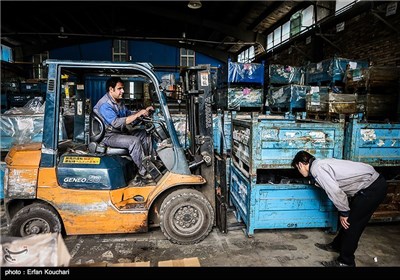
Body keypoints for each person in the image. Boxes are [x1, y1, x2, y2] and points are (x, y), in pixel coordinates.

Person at [291, 150, 387, 267]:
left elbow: (336, 191)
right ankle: (336, 245)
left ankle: (346, 262)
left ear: (300, 164)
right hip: (371, 185)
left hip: (372, 188)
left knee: (351, 225)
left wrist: (344, 212)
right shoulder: (320, 163)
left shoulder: (317, 170)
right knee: (350, 222)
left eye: (297, 168)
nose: (299, 171)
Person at [93, 76, 155, 185]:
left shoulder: (118, 102)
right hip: (108, 136)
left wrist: (142, 112)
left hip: (119, 132)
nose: (123, 91)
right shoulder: (105, 105)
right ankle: (143, 173)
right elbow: (116, 123)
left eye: (123, 88)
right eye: (119, 89)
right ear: (111, 89)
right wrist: (137, 115)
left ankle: (149, 164)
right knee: (134, 141)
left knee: (144, 134)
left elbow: (127, 115)